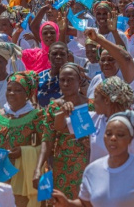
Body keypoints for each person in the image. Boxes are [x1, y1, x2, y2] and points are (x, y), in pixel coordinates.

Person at [50, 110, 134, 207]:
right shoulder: (92, 170)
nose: (113, 138)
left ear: (130, 139)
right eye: (108, 134)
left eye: (120, 135)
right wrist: (68, 203)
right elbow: (85, 204)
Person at [34, 62, 92, 200]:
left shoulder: (92, 106)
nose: (65, 83)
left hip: (88, 165)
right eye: (62, 80)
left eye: (70, 79)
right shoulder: (54, 107)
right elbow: (47, 140)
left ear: (79, 81)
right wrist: (38, 168)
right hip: (61, 167)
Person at [0, 71, 43, 207]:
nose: (12, 93)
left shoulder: (37, 117)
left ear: (27, 94)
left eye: (18, 90)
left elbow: (47, 146)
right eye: (9, 89)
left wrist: (24, 151)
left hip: (21, 179)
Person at [90, 76, 134, 162]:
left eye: (95, 97)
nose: (93, 101)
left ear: (106, 100)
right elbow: (64, 124)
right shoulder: (94, 117)